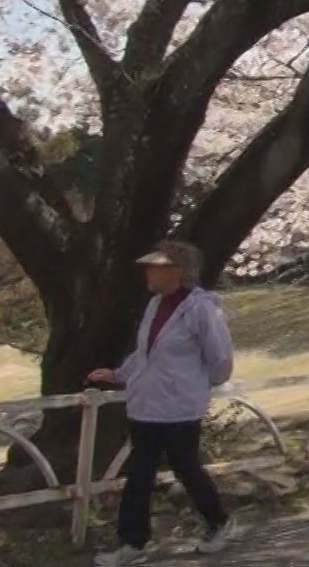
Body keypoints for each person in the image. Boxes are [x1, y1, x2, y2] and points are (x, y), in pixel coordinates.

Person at [88, 241, 237, 566]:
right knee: (139, 473)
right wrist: (118, 374)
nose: (148, 272)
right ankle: (133, 543)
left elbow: (219, 359)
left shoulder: (200, 309)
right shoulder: (155, 305)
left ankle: (219, 521)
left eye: (155, 267)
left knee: (186, 468)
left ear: (177, 272)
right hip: (147, 405)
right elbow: (145, 353)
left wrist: (195, 384)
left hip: (180, 407)